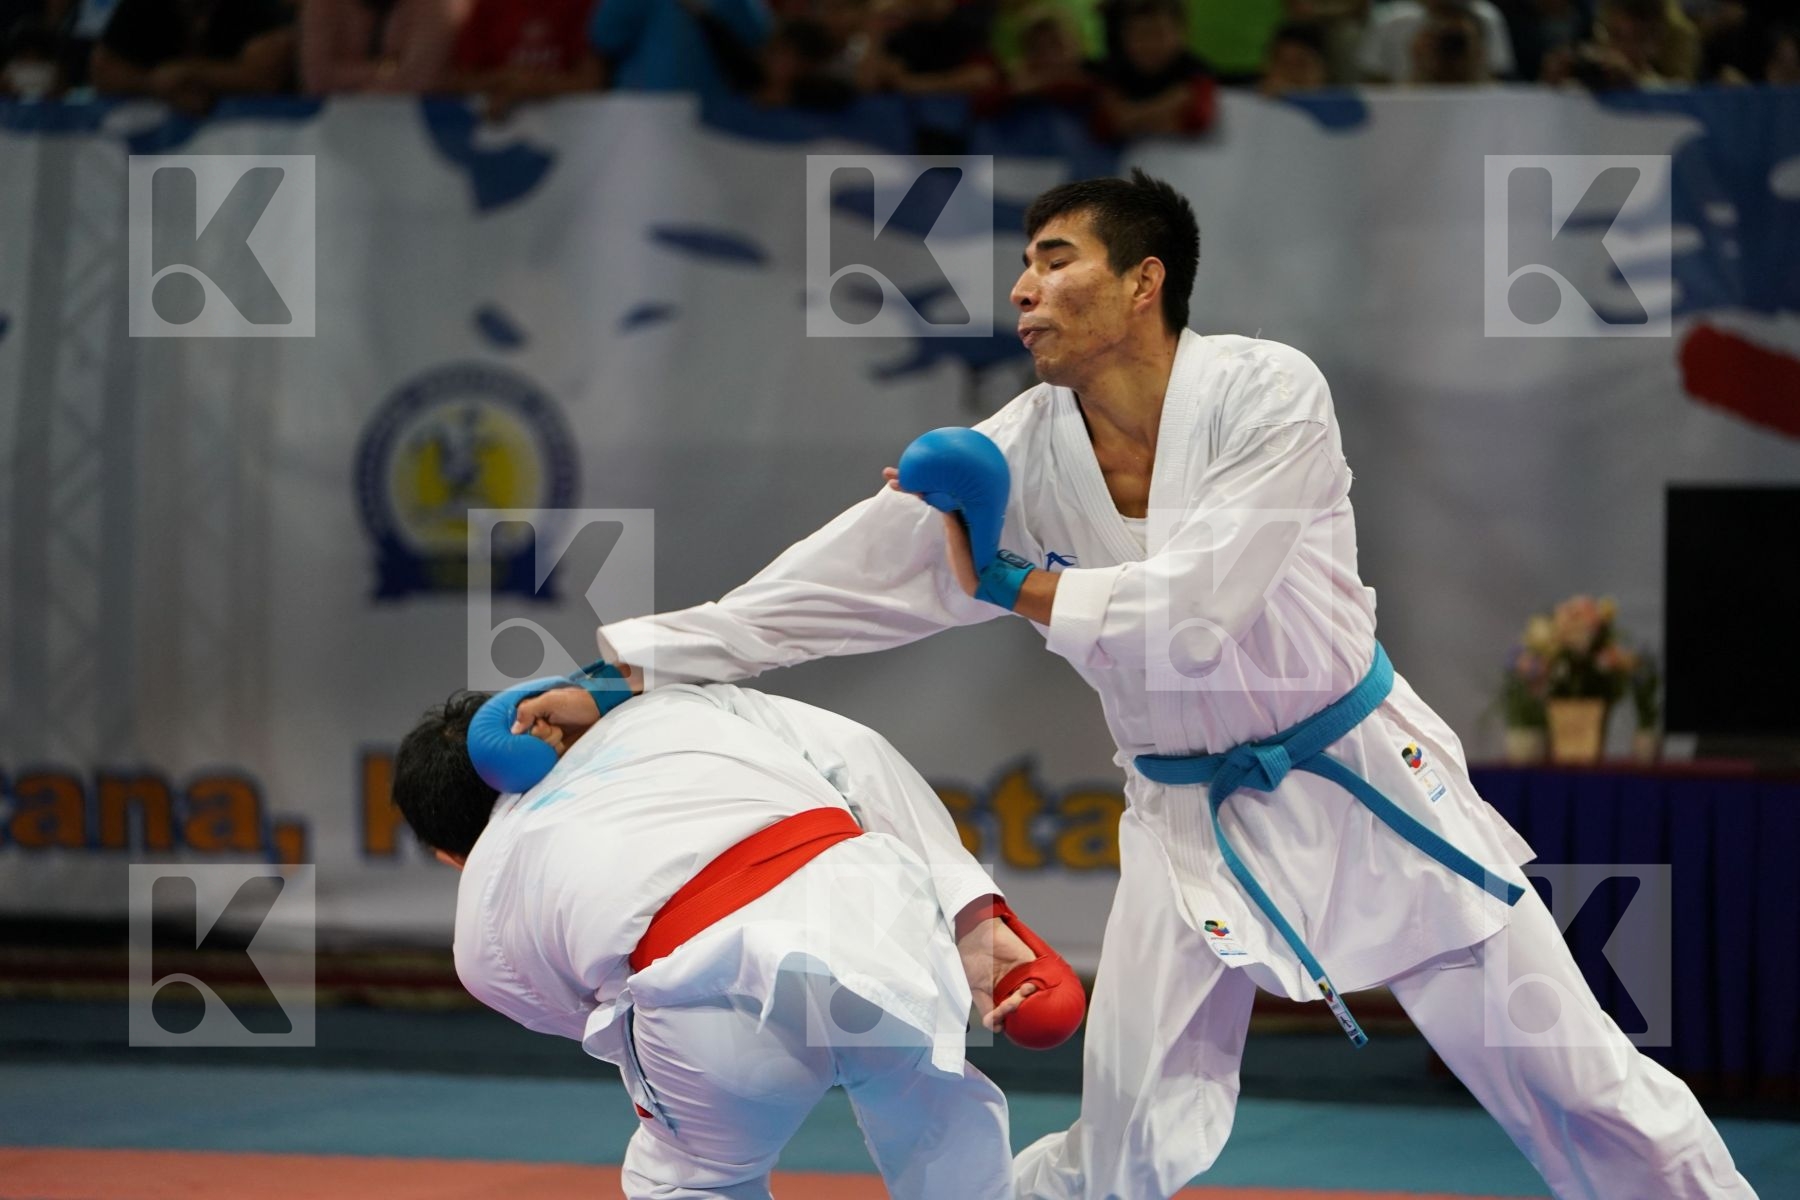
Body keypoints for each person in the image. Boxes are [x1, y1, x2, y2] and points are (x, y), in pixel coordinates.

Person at [566, 170, 1761, 1199]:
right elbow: (838, 582)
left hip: (1366, 786)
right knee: (1124, 1144)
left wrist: (1014, 583)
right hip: (1186, 822)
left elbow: (1200, 608)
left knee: (1582, 1087)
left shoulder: (1267, 393)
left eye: (1055, 260)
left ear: (1144, 281)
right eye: (1023, 265)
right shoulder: (1019, 452)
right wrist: (637, 668)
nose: (1023, 289)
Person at [395, 677, 1079, 1199]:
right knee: (938, 1125)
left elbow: (585, 1011)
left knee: (689, 1179)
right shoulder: (679, 706)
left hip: (708, 982)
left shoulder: (488, 890)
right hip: (872, 915)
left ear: (450, 856)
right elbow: (862, 756)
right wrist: (971, 913)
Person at [89, 0, 294, 114]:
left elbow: (264, 76)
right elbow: (104, 69)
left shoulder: (256, 7)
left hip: (257, 141)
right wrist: (153, 85)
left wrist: (187, 74)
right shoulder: (142, 6)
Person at [445, 0, 603, 120]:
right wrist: (505, 79)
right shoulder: (489, 6)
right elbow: (458, 80)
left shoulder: (582, 6)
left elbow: (592, 82)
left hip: (570, 125)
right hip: (497, 128)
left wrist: (532, 85)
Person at [300, 0, 463, 94]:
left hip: (414, 124)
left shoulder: (435, 5)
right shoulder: (323, 4)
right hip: (334, 126)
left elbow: (419, 81)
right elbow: (318, 79)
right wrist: (388, 66)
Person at [1359, 0, 1513, 81]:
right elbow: (1374, 87)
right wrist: (1418, 67)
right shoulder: (1392, 20)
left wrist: (1475, 64)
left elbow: (1496, 81)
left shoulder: (1487, 17)